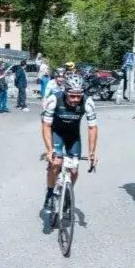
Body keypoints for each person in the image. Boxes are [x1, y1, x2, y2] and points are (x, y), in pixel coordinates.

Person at [41, 74, 98, 211]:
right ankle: (49, 194)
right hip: (57, 133)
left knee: (73, 170)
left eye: (78, 96)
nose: (75, 99)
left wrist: (92, 152)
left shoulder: (88, 102)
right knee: (56, 163)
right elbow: (46, 126)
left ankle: (67, 192)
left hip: (73, 136)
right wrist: (49, 150)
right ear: (65, 92)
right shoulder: (54, 99)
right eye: (72, 96)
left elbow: (92, 128)